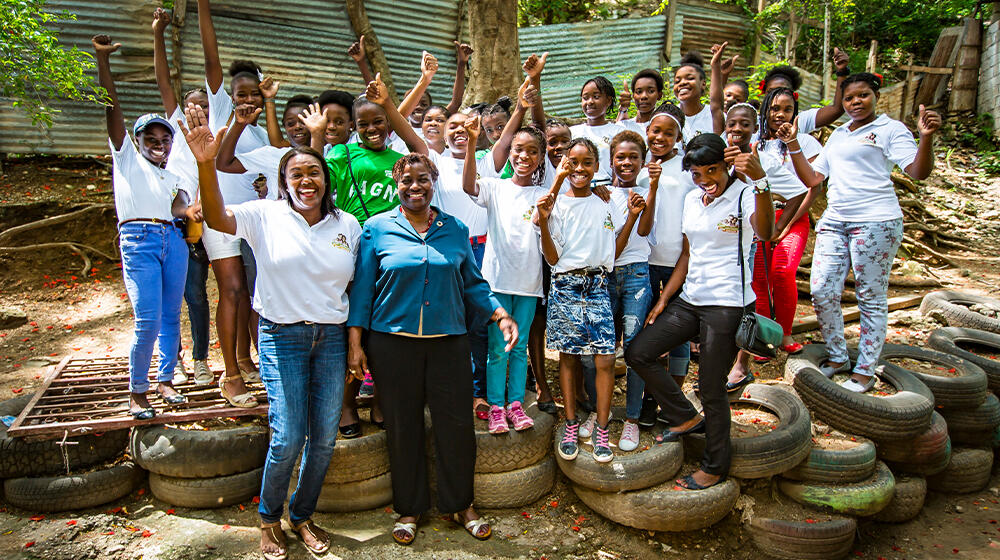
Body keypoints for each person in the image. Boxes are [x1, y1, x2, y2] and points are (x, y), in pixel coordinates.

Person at [181, 103, 358, 560]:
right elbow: (217, 220)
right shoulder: (264, 215)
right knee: (287, 435)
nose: (306, 181)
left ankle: (301, 517)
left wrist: (357, 345)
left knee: (323, 439)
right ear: (283, 183)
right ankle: (268, 519)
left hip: (332, 340)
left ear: (326, 181)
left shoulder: (348, 226)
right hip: (283, 339)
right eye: (296, 174)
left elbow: (355, 288)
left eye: (314, 173)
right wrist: (205, 163)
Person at [347, 151, 517, 546]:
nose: (415, 187)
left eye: (422, 179)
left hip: (449, 343)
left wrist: (499, 314)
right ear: (396, 184)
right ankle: (410, 508)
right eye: (406, 181)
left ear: (434, 180)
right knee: (403, 426)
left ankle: (462, 505)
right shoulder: (375, 229)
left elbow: (473, 283)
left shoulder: (454, 228)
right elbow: (361, 292)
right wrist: (356, 342)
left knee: (455, 425)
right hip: (393, 344)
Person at [625, 133, 774, 490]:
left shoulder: (745, 195)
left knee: (710, 386)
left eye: (712, 170)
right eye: (696, 172)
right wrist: (664, 300)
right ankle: (685, 417)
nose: (705, 179)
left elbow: (767, 233)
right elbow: (688, 255)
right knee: (639, 352)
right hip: (691, 299)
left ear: (727, 166)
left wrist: (762, 182)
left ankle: (715, 464)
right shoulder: (693, 199)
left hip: (727, 303)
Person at [776, 73, 941, 392]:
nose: (855, 102)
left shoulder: (890, 129)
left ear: (875, 95)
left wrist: (926, 138)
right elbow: (812, 178)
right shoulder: (837, 135)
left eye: (862, 95)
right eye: (849, 98)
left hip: (876, 222)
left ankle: (865, 369)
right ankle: (838, 357)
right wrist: (793, 143)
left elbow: (918, 172)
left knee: (870, 296)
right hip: (835, 221)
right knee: (822, 289)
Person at [93, 34, 197, 419]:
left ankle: (166, 380)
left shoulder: (172, 175)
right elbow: (112, 111)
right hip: (139, 241)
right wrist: (103, 62)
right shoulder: (127, 161)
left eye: (164, 139)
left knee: (172, 316)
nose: (159, 144)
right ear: (136, 141)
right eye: (150, 138)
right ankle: (138, 391)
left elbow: (180, 205)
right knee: (148, 317)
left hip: (174, 240)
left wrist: (190, 210)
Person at [326, 73, 428, 438]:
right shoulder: (341, 154)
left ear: (389, 123)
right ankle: (347, 403)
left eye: (379, 121)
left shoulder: (400, 160)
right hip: (354, 250)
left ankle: (383, 398)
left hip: (393, 252)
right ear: (354, 127)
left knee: (387, 333)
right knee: (353, 328)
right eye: (363, 124)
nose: (372, 128)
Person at [462, 100, 547, 434]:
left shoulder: (543, 194)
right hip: (496, 282)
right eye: (517, 150)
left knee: (521, 345)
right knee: (498, 349)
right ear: (508, 153)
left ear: (540, 158)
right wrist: (471, 142)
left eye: (531, 152)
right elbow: (470, 186)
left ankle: (515, 403)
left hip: (529, 284)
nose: (523, 157)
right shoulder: (495, 188)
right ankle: (496, 406)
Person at [196, 0, 265, 408]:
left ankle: (246, 357)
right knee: (233, 290)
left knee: (253, 291)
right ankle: (231, 374)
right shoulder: (223, 109)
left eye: (253, 94)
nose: (246, 100)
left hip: (251, 219)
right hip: (220, 216)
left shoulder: (259, 132)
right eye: (240, 94)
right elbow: (211, 56)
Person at [536, 139, 619, 464]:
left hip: (598, 283)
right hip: (566, 285)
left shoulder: (606, 201)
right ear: (563, 165)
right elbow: (553, 256)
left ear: (597, 167)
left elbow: (615, 242)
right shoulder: (556, 205)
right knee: (568, 358)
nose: (579, 169)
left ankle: (601, 428)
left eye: (587, 163)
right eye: (572, 162)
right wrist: (544, 219)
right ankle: (571, 424)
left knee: (605, 360)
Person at [722, 102, 812, 391]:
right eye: (732, 123)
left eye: (745, 125)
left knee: (748, 298)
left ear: (755, 129)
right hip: (718, 241)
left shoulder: (764, 162)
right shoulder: (717, 154)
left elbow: (801, 191)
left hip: (748, 242)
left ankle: (742, 363)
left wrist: (777, 228)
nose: (737, 129)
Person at [151, 7, 213, 386]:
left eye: (205, 106)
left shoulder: (216, 135)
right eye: (193, 105)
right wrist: (158, 34)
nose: (198, 111)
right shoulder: (174, 127)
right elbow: (163, 81)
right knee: (166, 298)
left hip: (199, 227)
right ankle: (171, 360)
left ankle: (201, 359)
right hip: (169, 224)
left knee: (197, 296)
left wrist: (200, 211)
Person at [599, 130, 656, 451]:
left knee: (634, 351)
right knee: (603, 349)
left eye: (634, 156)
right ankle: (600, 414)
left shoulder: (647, 192)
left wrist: (650, 195)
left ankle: (632, 419)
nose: (626, 162)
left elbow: (646, 230)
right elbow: (608, 248)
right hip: (606, 276)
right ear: (611, 161)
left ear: (643, 161)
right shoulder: (601, 195)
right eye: (620, 157)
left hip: (637, 275)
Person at [639, 104, 696, 426]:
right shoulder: (637, 162)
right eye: (654, 130)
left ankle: (673, 401)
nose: (659, 137)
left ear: (678, 137)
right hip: (644, 264)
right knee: (646, 337)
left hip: (679, 264)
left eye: (667, 133)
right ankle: (649, 400)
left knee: (678, 336)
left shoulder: (687, 168)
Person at [761, 47, 851, 134]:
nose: (777, 96)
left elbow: (836, 109)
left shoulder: (800, 121)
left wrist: (842, 72)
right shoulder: (753, 121)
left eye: (782, 91)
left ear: (793, 96)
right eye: (772, 92)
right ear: (765, 94)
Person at [672, 43, 733, 142]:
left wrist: (716, 66)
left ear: (703, 84)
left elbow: (716, 105)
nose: (682, 83)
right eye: (677, 81)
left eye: (690, 78)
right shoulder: (668, 115)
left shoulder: (711, 115)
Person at [570, 76, 625, 181]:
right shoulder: (573, 132)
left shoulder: (617, 132)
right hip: (578, 186)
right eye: (585, 98)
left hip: (608, 189)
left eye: (596, 97)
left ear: (608, 101)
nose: (590, 102)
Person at [617, 69, 665, 133]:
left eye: (651, 91)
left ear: (659, 95)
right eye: (639, 92)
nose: (644, 96)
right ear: (633, 96)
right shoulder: (623, 126)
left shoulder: (664, 127)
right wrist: (623, 108)